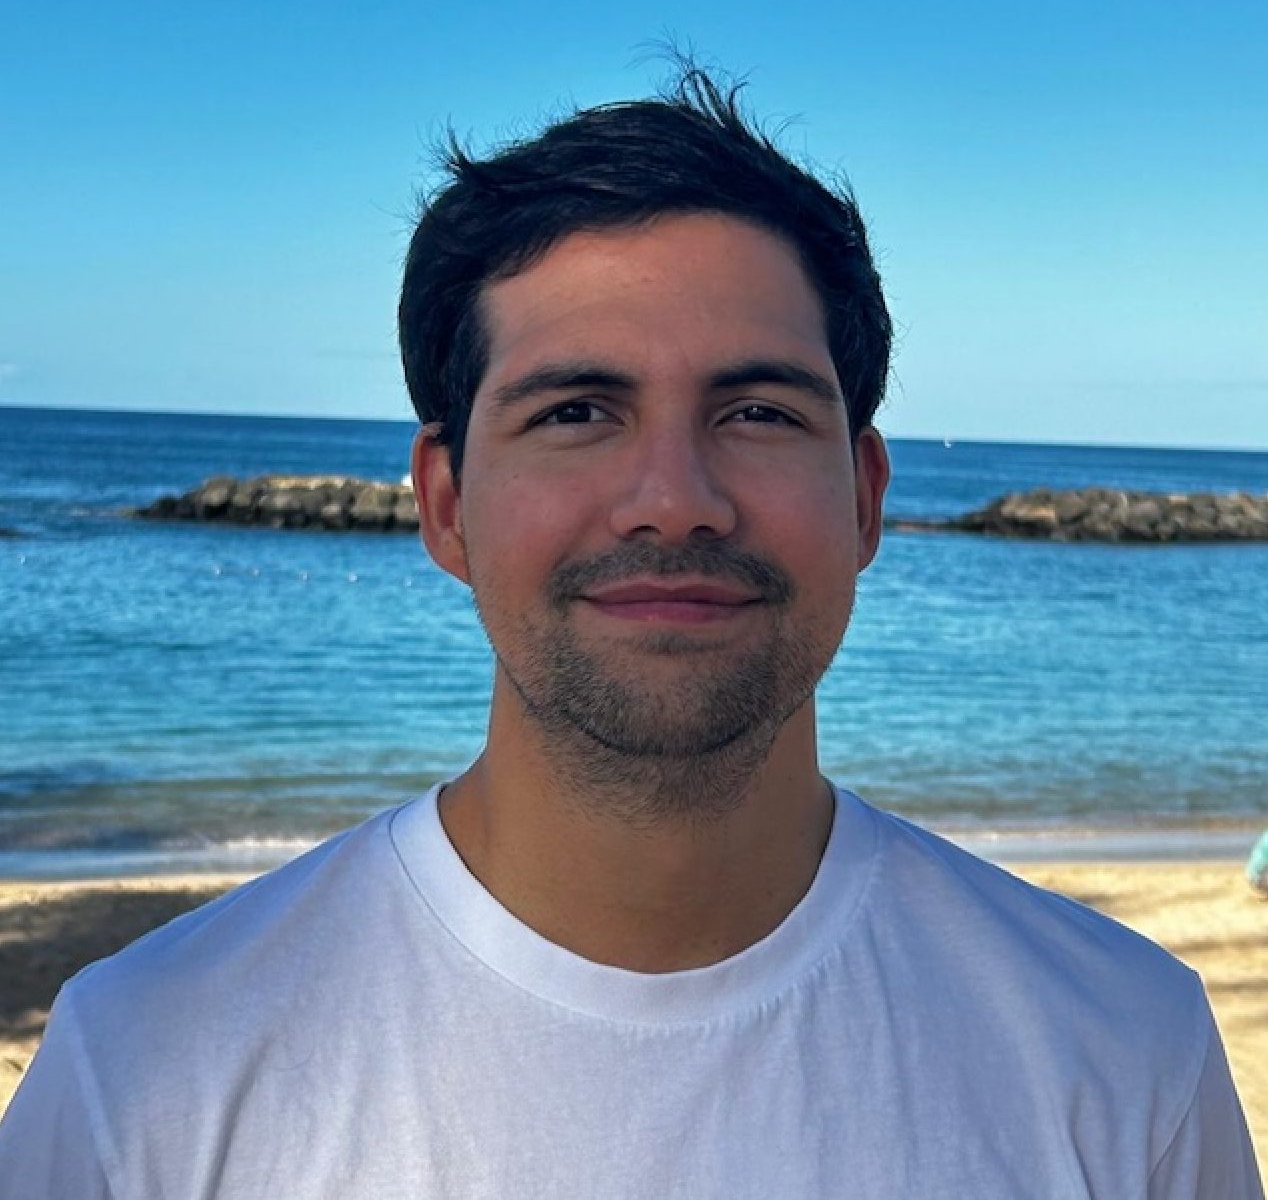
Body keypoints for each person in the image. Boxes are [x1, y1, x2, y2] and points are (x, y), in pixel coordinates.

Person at [0, 67, 1261, 1198]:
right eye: (577, 412)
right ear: (444, 505)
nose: (675, 502)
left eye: (758, 412)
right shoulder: (149, 1073)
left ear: (867, 497)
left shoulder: (1119, 1047)